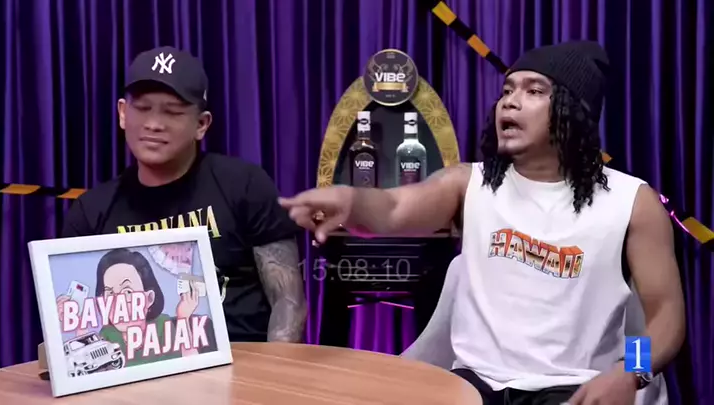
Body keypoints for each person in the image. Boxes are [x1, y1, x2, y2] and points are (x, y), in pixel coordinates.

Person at [280, 41, 685, 405]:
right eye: (507, 90)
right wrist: (351, 201)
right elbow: (392, 208)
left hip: (570, 387)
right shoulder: (469, 183)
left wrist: (630, 372)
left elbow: (663, 315)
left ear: (573, 111)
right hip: (475, 385)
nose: (510, 103)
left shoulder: (632, 201)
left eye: (533, 91)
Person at [60, 46, 307, 344]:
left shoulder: (244, 185)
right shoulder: (91, 211)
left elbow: (288, 302)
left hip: (244, 363)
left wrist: (274, 369)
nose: (153, 124)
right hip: (134, 367)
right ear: (123, 113)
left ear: (201, 125)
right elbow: (79, 322)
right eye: (143, 108)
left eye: (172, 112)